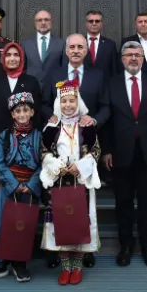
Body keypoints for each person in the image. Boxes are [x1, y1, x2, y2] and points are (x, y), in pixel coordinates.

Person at [41, 33, 111, 269]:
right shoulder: (53, 74)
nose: (76, 50)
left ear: (86, 50)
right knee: (59, 204)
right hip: (60, 145)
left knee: (83, 206)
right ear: (66, 50)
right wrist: (50, 117)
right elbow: (43, 102)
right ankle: (58, 250)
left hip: (84, 146)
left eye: (81, 47)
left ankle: (84, 251)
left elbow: (106, 107)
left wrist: (94, 120)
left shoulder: (98, 75)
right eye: (72, 47)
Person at [101, 41, 147, 268]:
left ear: (143, 59)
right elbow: (107, 121)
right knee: (122, 203)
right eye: (129, 55)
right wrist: (107, 150)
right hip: (120, 154)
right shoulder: (111, 84)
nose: (133, 58)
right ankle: (126, 246)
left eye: (137, 55)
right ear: (122, 59)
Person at [41, 81, 102, 285]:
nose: (68, 105)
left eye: (72, 101)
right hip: (60, 183)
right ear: (59, 103)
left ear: (78, 102)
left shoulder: (87, 125)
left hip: (81, 182)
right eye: (64, 101)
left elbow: (95, 151)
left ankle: (77, 268)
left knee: (79, 225)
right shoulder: (52, 127)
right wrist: (56, 165)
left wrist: (81, 165)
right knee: (62, 225)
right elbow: (44, 151)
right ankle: (65, 267)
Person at [0, 92, 42, 283]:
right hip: (8, 187)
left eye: (25, 110)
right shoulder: (4, 137)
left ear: (31, 112)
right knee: (1, 224)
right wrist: (14, 185)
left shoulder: (39, 136)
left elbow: (44, 163)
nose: (22, 115)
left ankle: (20, 264)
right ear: (13, 114)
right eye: (18, 111)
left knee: (23, 226)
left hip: (29, 189)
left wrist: (30, 185)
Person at [0, 42, 42, 198]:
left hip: (25, 143)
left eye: (16, 55)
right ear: (3, 58)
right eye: (8, 55)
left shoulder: (31, 82)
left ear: (21, 58)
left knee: (23, 192)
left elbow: (38, 113)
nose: (12, 58)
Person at [21, 10, 64, 83]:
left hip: (54, 87)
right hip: (32, 87)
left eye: (46, 20)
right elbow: (22, 69)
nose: (43, 23)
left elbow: (64, 68)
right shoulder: (26, 44)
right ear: (35, 23)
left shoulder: (61, 43)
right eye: (39, 20)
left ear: (51, 22)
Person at [84, 9, 120, 75]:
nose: (94, 23)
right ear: (86, 24)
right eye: (91, 21)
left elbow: (114, 70)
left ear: (101, 24)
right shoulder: (78, 43)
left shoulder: (110, 45)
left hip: (104, 84)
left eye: (97, 21)